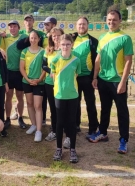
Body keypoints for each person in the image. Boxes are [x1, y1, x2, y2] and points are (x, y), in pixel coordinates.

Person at [90, 9, 133, 154]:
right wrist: (95, 77)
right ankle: (102, 132)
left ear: (120, 21)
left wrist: (123, 82)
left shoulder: (125, 38)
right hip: (103, 80)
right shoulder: (102, 37)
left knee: (122, 111)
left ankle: (123, 140)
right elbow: (98, 59)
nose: (111, 22)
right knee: (105, 108)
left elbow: (128, 62)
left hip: (117, 81)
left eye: (114, 19)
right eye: (109, 19)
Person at [51, 34, 81, 163]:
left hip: (73, 96)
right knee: (59, 123)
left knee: (71, 123)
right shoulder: (54, 60)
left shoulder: (76, 60)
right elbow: (53, 76)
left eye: (68, 44)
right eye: (63, 44)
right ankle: (58, 149)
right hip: (59, 95)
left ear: (72, 45)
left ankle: (73, 150)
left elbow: (76, 75)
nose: (65, 47)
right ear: (59, 45)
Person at [71, 16, 99, 136]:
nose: (81, 26)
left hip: (87, 77)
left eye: (84, 24)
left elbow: (97, 60)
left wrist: (94, 77)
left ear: (88, 26)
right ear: (76, 26)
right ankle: (76, 125)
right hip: (74, 78)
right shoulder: (71, 38)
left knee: (90, 103)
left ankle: (93, 126)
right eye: (79, 24)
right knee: (75, 103)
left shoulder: (93, 41)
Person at [0, 20, 28, 129]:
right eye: (10, 27)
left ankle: (20, 117)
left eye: (15, 26)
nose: (12, 28)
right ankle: (7, 118)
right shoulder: (5, 38)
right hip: (9, 72)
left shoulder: (24, 37)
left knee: (20, 96)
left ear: (18, 28)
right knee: (9, 96)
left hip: (21, 71)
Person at [20, 31, 46, 142]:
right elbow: (21, 68)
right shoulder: (24, 51)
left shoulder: (43, 51)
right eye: (31, 38)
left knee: (38, 106)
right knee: (29, 104)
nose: (33, 40)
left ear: (39, 39)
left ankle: (39, 131)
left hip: (39, 82)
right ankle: (34, 125)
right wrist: (28, 79)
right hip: (27, 82)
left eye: (35, 38)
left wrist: (39, 79)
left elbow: (45, 67)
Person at [42, 27, 64, 142]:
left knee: (62, 108)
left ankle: (63, 129)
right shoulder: (48, 50)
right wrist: (52, 72)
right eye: (54, 36)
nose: (56, 38)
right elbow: (44, 65)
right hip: (50, 83)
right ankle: (54, 130)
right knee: (53, 107)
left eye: (58, 35)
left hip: (62, 84)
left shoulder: (65, 49)